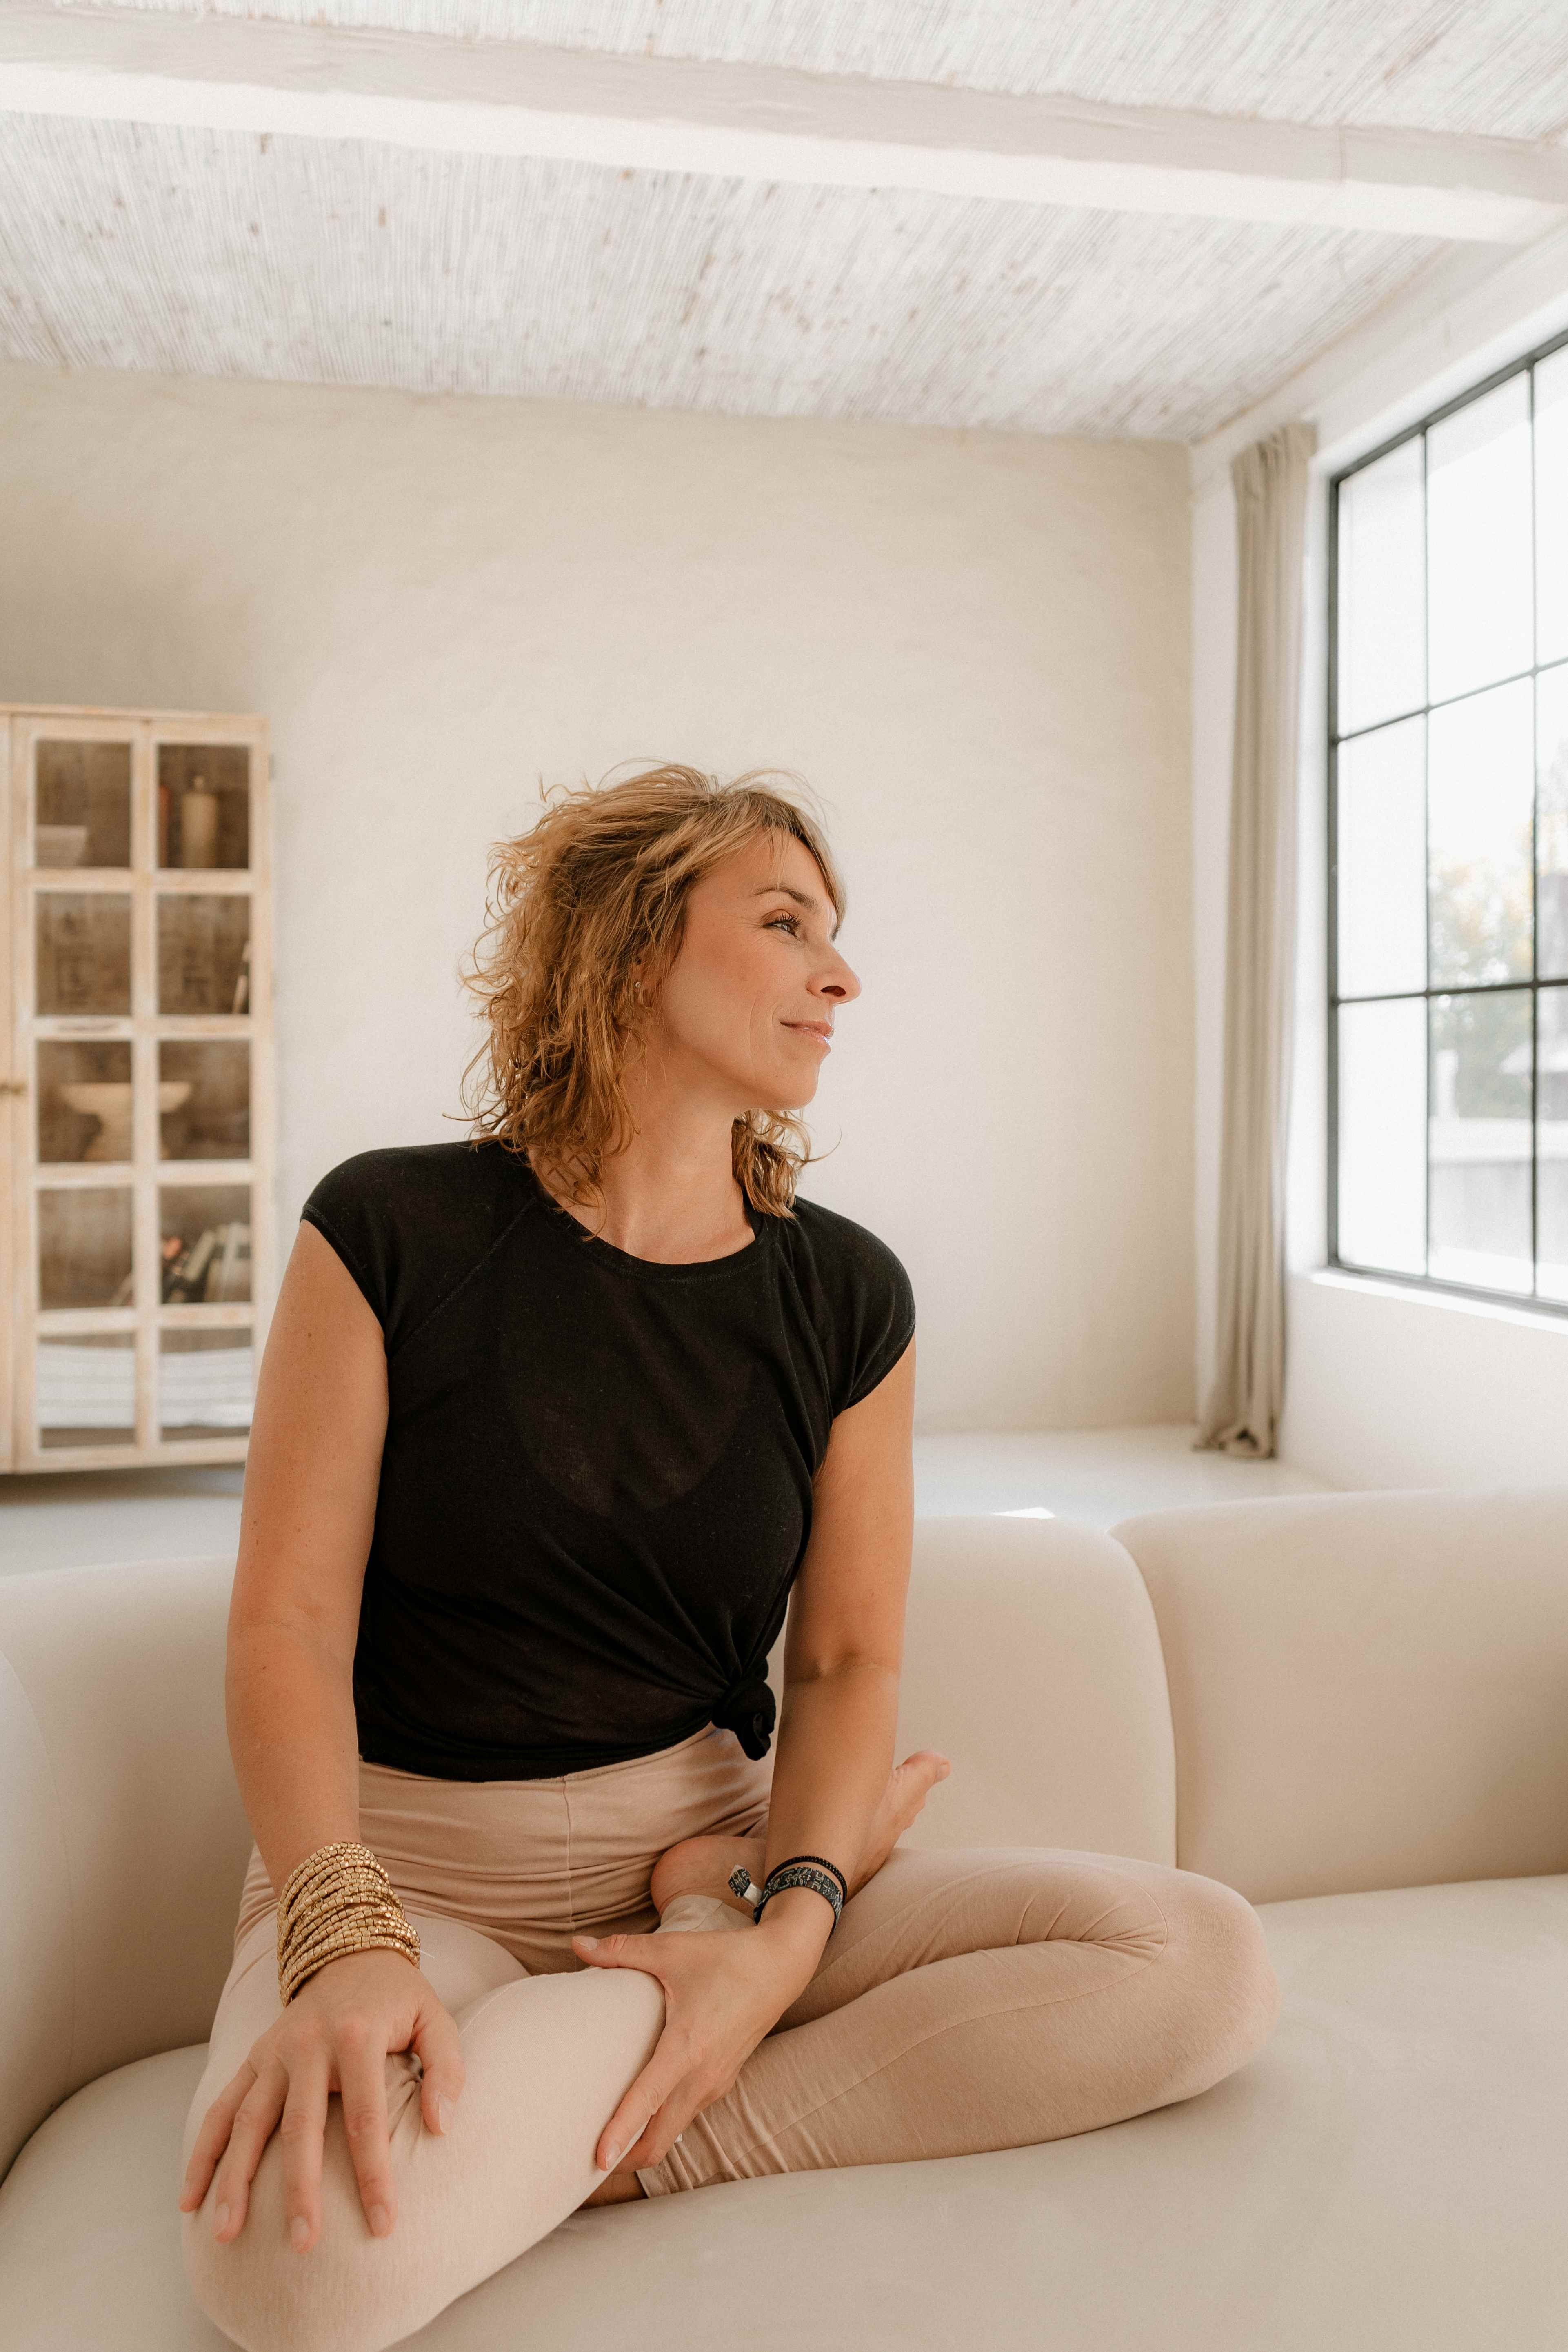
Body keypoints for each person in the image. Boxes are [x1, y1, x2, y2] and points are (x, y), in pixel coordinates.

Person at [178, 764, 1280, 2352]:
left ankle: (651, 2066)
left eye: (834, 933)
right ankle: (666, 2005)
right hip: (411, 1877)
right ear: (631, 946)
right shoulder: (388, 1229)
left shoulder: (847, 1294)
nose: (841, 975)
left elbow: (843, 1661)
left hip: (714, 1843)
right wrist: (344, 1939)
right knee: (293, 2282)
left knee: (1198, 1961)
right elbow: (285, 1623)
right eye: (785, 924)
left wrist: (782, 1931)